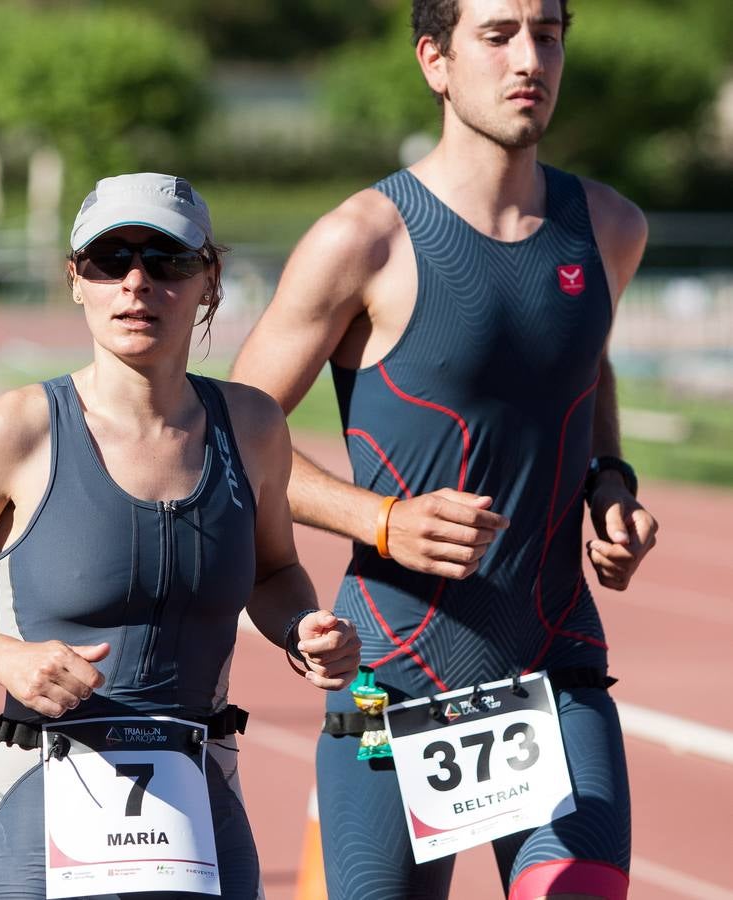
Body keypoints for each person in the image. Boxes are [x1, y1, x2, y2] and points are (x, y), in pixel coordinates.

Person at [231, 2, 658, 898]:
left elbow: (588, 364)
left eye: (546, 35)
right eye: (497, 36)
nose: (528, 60)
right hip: (397, 668)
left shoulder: (610, 228)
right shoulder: (363, 239)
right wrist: (379, 519)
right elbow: (234, 429)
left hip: (555, 654)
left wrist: (606, 478)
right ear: (434, 60)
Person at [0, 172, 360, 900]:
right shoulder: (16, 432)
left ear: (209, 280)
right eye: (108, 259)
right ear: (74, 279)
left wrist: (302, 631)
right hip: (41, 813)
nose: (135, 282)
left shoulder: (252, 427)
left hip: (201, 811)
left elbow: (274, 574)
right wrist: (5, 659)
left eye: (167, 260)